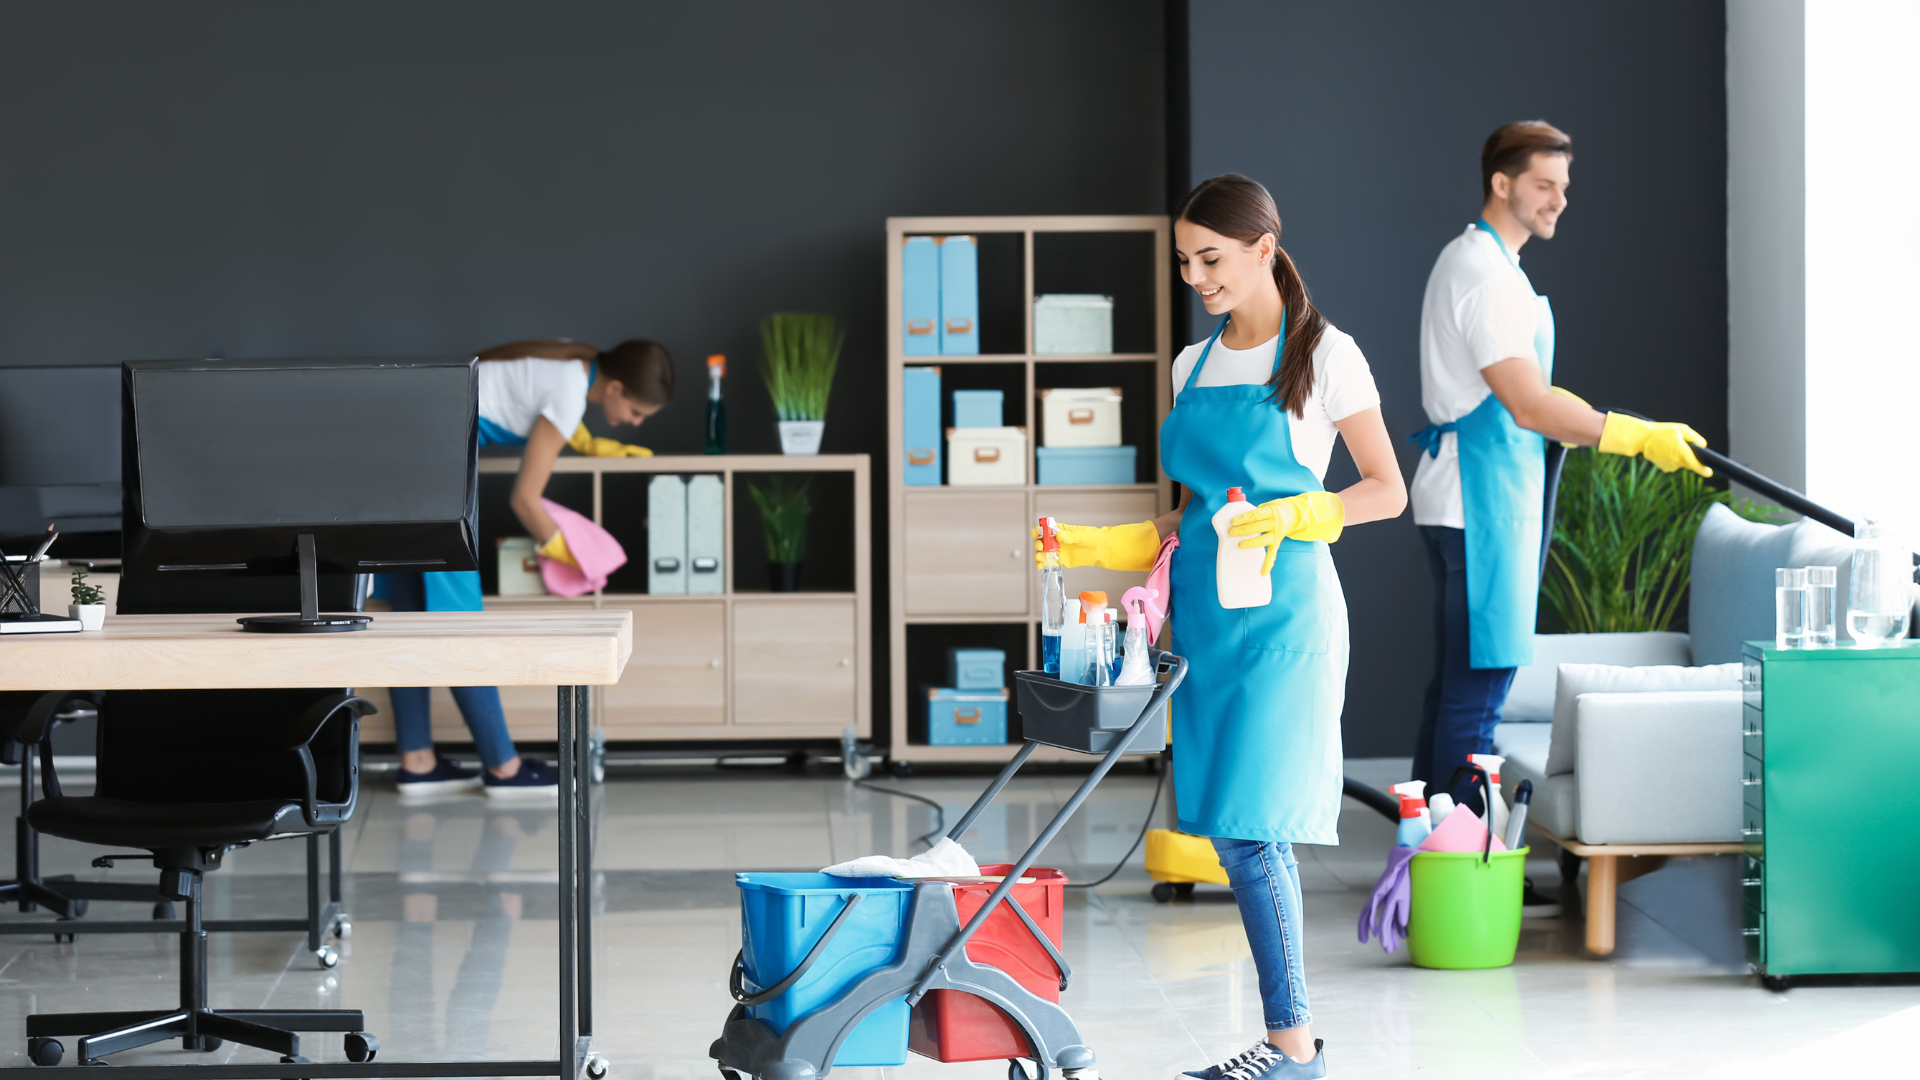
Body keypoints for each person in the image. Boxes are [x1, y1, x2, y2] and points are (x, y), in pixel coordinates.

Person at [1036, 175, 1405, 1079]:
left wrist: (1301, 515)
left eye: (1211, 258)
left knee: (1251, 828)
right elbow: (1191, 515)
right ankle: (1293, 1043)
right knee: (1238, 829)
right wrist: (1100, 540)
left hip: (1286, 617)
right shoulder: (1190, 367)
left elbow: (1387, 490)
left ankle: (1293, 1046)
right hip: (1204, 619)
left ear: (1263, 250)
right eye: (1184, 261)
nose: (1196, 276)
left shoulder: (1326, 357)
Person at [1407, 121, 1712, 793]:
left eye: (1564, 186)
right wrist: (1635, 435)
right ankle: (1459, 867)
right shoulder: (1486, 274)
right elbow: (1527, 405)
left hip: (1465, 499)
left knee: (1457, 687)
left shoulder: (1484, 262)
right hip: (1479, 507)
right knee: (1477, 695)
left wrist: (1579, 414)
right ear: (1502, 182)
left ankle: (1429, 858)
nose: (1558, 200)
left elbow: (1523, 389)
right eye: (1544, 185)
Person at [392, 338, 674, 798]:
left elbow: (526, 399)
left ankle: (417, 759)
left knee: (409, 611)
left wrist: (587, 442)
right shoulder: (568, 392)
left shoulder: (570, 360)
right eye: (637, 412)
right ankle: (503, 768)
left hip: (404, 452)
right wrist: (576, 555)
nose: (634, 423)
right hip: (433, 464)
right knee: (459, 618)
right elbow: (526, 500)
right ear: (617, 387)